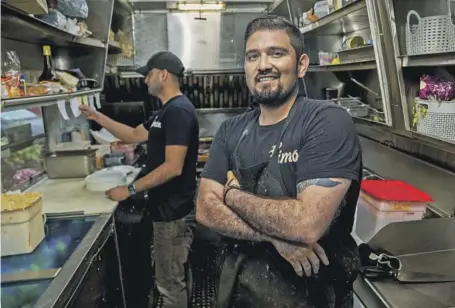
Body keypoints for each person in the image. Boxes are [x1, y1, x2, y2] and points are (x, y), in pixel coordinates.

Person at [196, 15, 362, 308]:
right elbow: (206, 210)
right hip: (240, 291)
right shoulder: (230, 130)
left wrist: (232, 195)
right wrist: (274, 238)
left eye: (276, 53)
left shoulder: (326, 121)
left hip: (314, 295)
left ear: (301, 65)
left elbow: (306, 224)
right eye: (253, 56)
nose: (263, 65)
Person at [80, 51, 199, 308]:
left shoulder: (178, 111)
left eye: (149, 74)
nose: (145, 80)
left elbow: (173, 167)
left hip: (173, 213)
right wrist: (96, 117)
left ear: (163, 75)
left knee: (169, 283)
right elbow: (134, 134)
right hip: (165, 209)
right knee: (174, 274)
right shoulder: (165, 111)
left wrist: (130, 189)